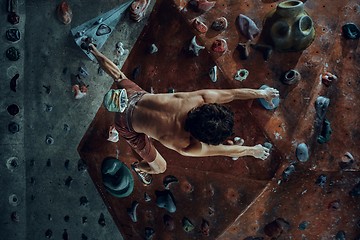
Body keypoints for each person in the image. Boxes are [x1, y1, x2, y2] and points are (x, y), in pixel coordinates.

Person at [89, 44, 279, 184]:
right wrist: (252, 151)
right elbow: (225, 151)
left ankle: (93, 50)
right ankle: (139, 168)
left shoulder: (199, 99)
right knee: (161, 167)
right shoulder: (188, 145)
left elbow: (232, 94)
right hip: (125, 123)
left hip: (133, 97)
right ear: (202, 138)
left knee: (120, 77)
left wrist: (261, 93)